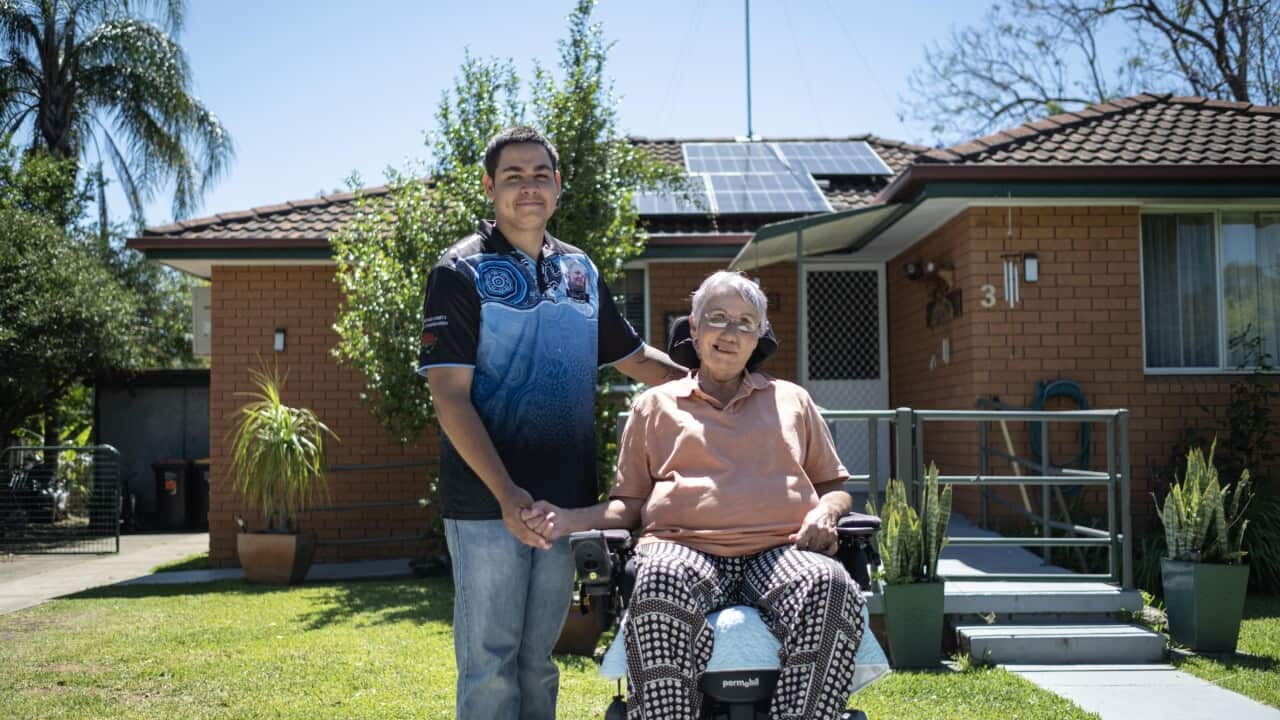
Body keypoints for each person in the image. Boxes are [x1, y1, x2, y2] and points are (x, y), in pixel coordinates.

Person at [418, 125, 686, 720]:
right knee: (490, 664)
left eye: (540, 175)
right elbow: (450, 399)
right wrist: (509, 495)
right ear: (489, 187)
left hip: (564, 505)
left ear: (558, 186)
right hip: (488, 505)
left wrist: (715, 385)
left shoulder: (580, 272)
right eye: (512, 177)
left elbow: (635, 358)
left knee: (539, 660)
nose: (528, 187)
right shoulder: (459, 272)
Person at [526, 270, 866, 720]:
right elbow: (628, 505)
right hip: (681, 549)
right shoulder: (654, 406)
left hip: (780, 549)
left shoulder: (792, 400)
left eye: (745, 322)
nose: (731, 332)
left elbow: (834, 489)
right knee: (658, 581)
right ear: (695, 325)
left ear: (760, 334)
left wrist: (826, 512)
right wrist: (568, 520)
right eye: (718, 318)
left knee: (831, 585)